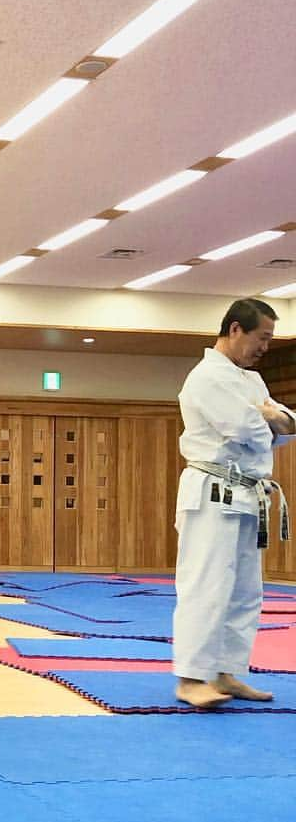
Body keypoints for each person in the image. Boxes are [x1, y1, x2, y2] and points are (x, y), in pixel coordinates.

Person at [173, 298, 295, 707]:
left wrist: (268, 416)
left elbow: (288, 427)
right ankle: (190, 678)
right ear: (236, 330)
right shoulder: (205, 377)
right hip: (211, 493)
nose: (265, 347)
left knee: (246, 591)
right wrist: (265, 419)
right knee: (205, 586)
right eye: (262, 338)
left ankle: (226, 673)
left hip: (247, 495)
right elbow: (246, 429)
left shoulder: (252, 381)